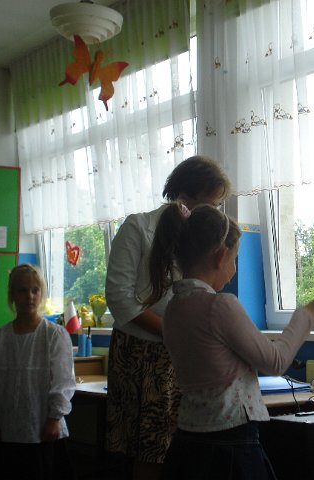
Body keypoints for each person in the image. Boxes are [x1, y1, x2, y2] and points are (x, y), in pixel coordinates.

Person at [143, 203, 314, 480]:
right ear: (220, 256)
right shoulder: (220, 306)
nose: (233, 270)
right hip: (230, 443)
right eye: (234, 259)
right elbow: (275, 362)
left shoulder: (173, 309)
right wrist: (307, 316)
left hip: (188, 442)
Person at [105, 155, 232, 479]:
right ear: (185, 198)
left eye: (218, 206)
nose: (216, 213)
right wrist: (174, 332)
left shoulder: (201, 241)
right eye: (211, 204)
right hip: (141, 354)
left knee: (184, 447)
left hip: (183, 353)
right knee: (150, 450)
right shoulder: (138, 227)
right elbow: (120, 299)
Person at [0, 264, 76, 480]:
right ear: (12, 295)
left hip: (42, 427)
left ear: (41, 294)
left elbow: (63, 382)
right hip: (7, 428)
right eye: (22, 290)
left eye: (35, 290)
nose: (29, 296)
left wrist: (54, 418)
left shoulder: (54, 335)